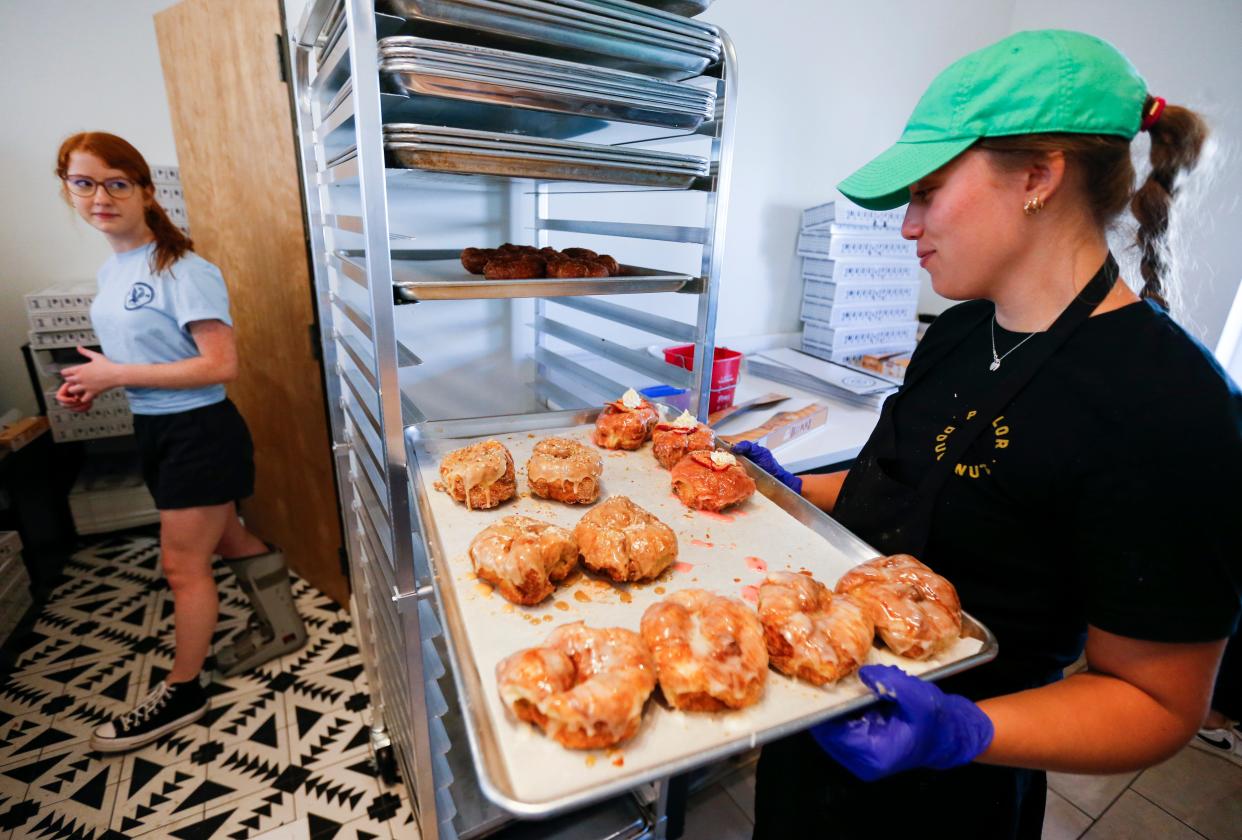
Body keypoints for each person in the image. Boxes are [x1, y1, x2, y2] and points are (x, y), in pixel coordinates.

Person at [733, 30, 1241, 839]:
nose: (907, 227)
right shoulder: (958, 333)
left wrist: (963, 733)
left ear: (1038, 176)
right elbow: (900, 496)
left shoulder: (1171, 408)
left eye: (928, 192)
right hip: (817, 735)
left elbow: (1157, 701)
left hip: (955, 788)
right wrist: (786, 491)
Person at [53, 132, 300, 753]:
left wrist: (115, 373)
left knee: (182, 566)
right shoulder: (114, 269)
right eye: (83, 183)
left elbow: (219, 365)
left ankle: (183, 691)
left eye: (116, 182)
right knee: (226, 537)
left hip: (199, 431)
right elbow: (153, 352)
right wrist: (99, 379)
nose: (99, 196)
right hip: (155, 425)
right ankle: (284, 628)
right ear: (69, 190)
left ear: (144, 190)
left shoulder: (183, 268)